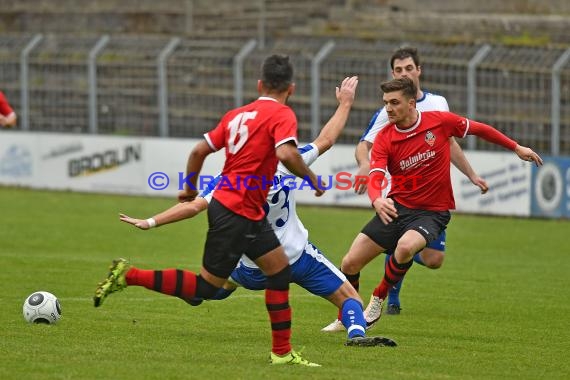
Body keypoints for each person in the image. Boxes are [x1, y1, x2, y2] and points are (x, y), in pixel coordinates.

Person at [119, 76, 395, 348]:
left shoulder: (230, 178)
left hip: (249, 268)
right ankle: (356, 334)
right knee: (350, 298)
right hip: (297, 258)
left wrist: (151, 221)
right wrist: (345, 103)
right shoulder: (290, 161)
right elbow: (325, 139)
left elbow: (192, 206)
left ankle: (154, 282)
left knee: (210, 290)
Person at [94, 54, 327, 366]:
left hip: (245, 210)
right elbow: (286, 152)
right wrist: (311, 177)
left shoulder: (236, 115)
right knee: (206, 288)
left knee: (278, 271)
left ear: (259, 84)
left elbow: (199, 150)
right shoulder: (282, 114)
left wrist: (189, 187)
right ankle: (129, 275)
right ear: (291, 89)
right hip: (236, 211)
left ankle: (282, 354)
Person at [327, 77, 542, 333]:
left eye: (394, 103)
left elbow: (481, 129)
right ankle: (346, 316)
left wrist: (516, 147)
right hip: (397, 207)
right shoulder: (385, 137)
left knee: (406, 247)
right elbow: (375, 175)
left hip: (432, 213)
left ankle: (378, 299)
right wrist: (376, 198)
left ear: (410, 102)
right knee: (350, 262)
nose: (389, 109)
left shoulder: (439, 121)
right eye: (386, 103)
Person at [322, 47, 488, 332]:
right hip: (400, 201)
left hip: (432, 203)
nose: (404, 73)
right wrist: (365, 166)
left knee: (433, 260)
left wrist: (471, 173)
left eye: (408, 68)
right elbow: (366, 146)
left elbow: (451, 142)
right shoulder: (388, 113)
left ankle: (398, 259)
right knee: (369, 256)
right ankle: (355, 311)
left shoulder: (437, 105)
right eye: (398, 70)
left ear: (418, 71)